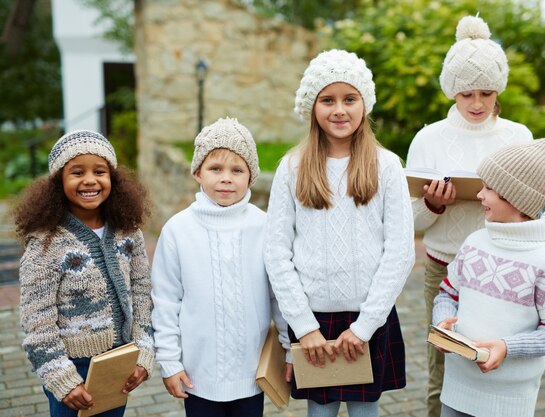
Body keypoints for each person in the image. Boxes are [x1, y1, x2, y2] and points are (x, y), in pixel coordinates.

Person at [264, 49, 415, 417]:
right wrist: (303, 326)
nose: (339, 110)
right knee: (320, 412)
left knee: (366, 412)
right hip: (314, 319)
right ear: (311, 107)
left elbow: (400, 252)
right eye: (327, 100)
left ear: (365, 103)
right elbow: (276, 252)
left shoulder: (387, 166)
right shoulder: (292, 168)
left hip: (370, 318)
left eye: (350, 99)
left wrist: (364, 327)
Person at [404, 15, 534, 417]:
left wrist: (505, 205)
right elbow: (409, 223)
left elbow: (535, 211)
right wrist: (434, 204)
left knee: (501, 366)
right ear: (451, 91)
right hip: (444, 270)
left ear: (499, 90)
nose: (477, 103)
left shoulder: (518, 137)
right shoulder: (428, 139)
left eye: (486, 92)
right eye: (465, 94)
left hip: (505, 270)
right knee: (443, 372)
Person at [150, 117, 289, 417]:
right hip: (198, 376)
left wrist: (289, 347)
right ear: (198, 172)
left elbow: (280, 294)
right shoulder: (177, 230)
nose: (226, 178)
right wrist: (170, 363)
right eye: (216, 169)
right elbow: (165, 301)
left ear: (251, 177)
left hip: (252, 374)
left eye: (237, 170)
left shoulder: (264, 226)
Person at [15, 130, 155, 416]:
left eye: (100, 171)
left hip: (119, 361)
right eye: (77, 172)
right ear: (59, 182)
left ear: (113, 179)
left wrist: (143, 353)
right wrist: (62, 379)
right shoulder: (46, 243)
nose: (90, 180)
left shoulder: (128, 232)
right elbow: (36, 322)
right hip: (71, 367)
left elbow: (142, 293)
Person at [432, 138, 545, 417]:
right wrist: (442, 322)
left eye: (489, 188)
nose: (479, 195)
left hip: (508, 400)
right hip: (457, 386)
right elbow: (447, 293)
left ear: (517, 197)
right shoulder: (474, 242)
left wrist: (507, 347)